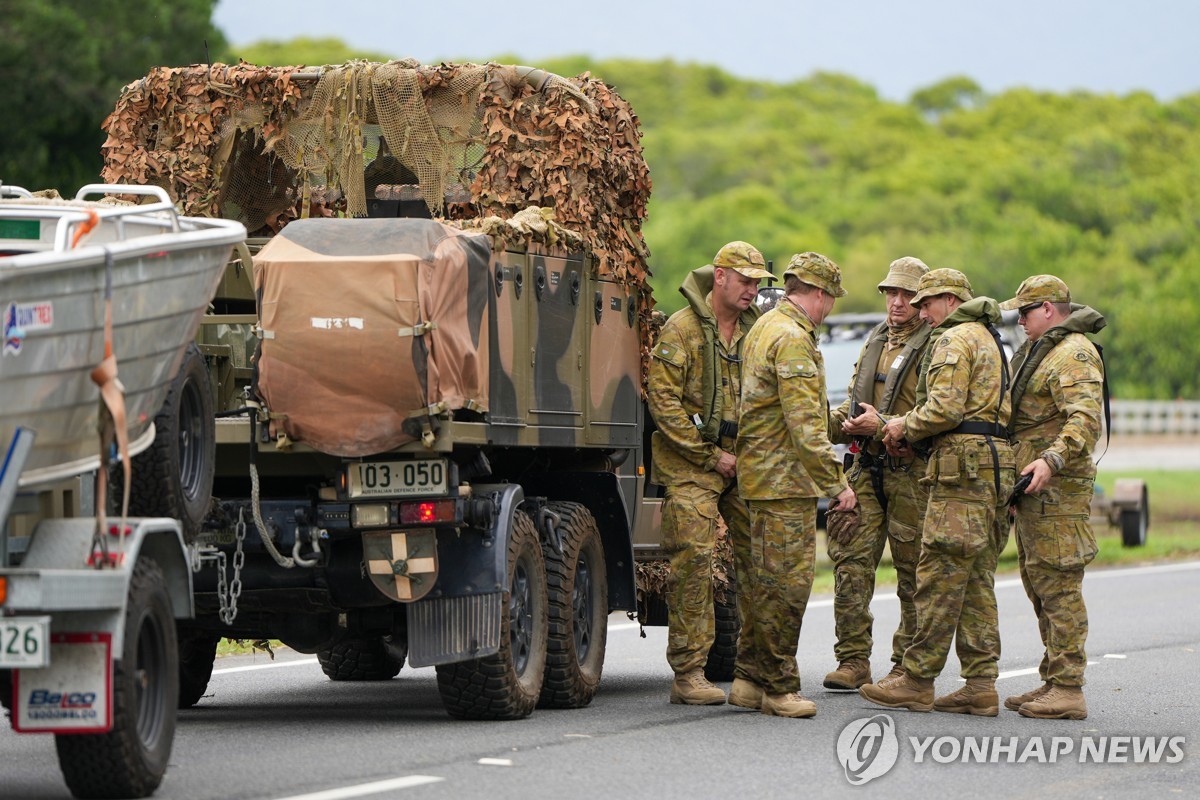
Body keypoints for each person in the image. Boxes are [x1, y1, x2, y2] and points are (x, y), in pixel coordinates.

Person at [859, 268, 1015, 716]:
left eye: (926, 303)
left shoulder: (953, 338)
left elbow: (944, 407)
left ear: (949, 300)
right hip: (992, 466)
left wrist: (899, 425)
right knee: (976, 580)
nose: (920, 312)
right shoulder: (988, 338)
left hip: (960, 471)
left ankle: (916, 679)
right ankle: (980, 683)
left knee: (939, 573)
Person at [647, 241, 774, 705]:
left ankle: (753, 671)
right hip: (693, 464)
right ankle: (689, 673)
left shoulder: (756, 330)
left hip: (745, 462)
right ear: (719, 277)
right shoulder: (681, 332)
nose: (753, 290)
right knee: (693, 563)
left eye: (759, 283)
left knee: (761, 560)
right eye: (745, 281)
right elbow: (664, 403)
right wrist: (709, 456)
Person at [730, 252, 856, 718]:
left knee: (764, 582)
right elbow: (804, 427)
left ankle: (747, 678)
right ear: (818, 294)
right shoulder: (793, 338)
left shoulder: (763, 326)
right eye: (830, 300)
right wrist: (837, 484)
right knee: (787, 587)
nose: (830, 310)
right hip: (784, 481)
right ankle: (779, 688)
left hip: (762, 476)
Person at [822, 257, 933, 691]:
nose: (897, 302)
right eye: (892, 293)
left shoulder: (937, 344)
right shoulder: (876, 341)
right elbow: (855, 400)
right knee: (850, 562)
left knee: (913, 572)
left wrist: (884, 424)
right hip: (867, 467)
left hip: (912, 470)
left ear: (921, 300)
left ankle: (905, 666)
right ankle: (852, 660)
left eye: (907, 294)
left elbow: (938, 412)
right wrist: (836, 422)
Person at [999, 275, 1105, 720]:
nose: (1020, 321)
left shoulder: (1073, 353)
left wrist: (1051, 461)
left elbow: (1084, 420)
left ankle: (1068, 688)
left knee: (1059, 586)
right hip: (1036, 491)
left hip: (1057, 491)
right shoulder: (1045, 351)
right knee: (1039, 582)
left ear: (1048, 309)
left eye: (1025, 312)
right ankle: (1053, 679)